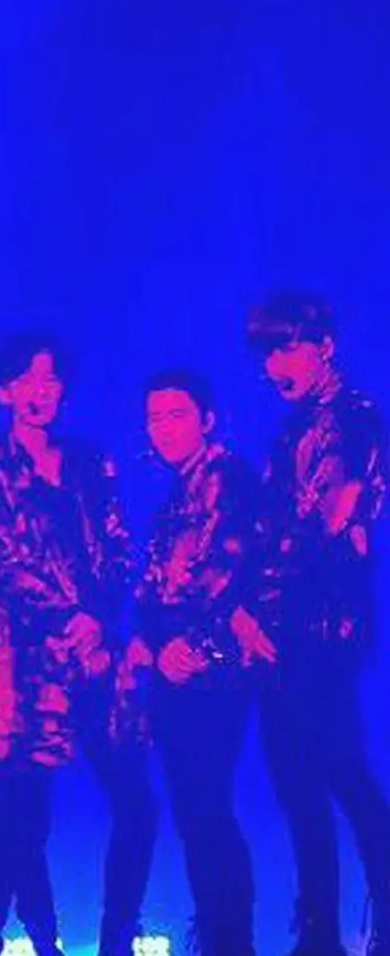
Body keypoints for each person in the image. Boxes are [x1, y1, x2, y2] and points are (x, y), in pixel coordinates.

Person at [0, 334, 157, 956]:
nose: (40, 391)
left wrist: (98, 618)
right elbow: (0, 564)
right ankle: (41, 941)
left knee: (137, 803)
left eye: (49, 380)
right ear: (4, 392)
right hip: (29, 670)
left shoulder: (89, 462)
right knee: (25, 819)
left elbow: (119, 546)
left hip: (99, 660)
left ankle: (116, 939)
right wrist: (70, 617)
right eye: (27, 380)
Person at [245, 292, 390, 956]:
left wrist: (256, 605)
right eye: (268, 352)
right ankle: (319, 930)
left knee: (339, 773)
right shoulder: (293, 428)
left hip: (322, 625)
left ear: (323, 346)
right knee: (303, 782)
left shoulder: (354, 421)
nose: (276, 364)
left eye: (287, 347)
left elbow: (324, 526)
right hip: (289, 627)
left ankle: (347, 927)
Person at [135, 370, 261, 955]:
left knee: (207, 808)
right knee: (194, 811)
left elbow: (235, 575)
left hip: (214, 672)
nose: (164, 428)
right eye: (155, 418)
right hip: (174, 674)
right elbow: (151, 592)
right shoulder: (172, 500)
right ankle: (216, 929)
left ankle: (228, 936)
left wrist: (189, 642)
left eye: (177, 415)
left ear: (207, 419)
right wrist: (154, 642)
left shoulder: (231, 481)